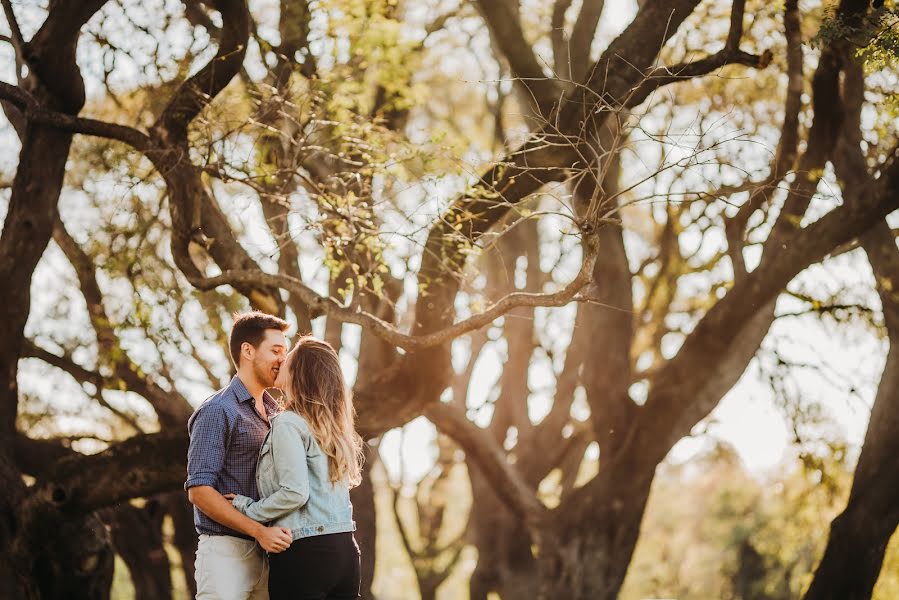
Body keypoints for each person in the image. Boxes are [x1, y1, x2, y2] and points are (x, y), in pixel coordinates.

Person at [225, 336, 365, 600]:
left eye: (287, 358)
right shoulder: (334, 429)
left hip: (306, 553)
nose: (280, 361)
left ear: (300, 370)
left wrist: (247, 508)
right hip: (346, 551)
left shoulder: (288, 423)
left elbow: (295, 493)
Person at [185, 311, 294, 599]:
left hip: (270, 553)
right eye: (276, 350)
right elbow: (199, 491)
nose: (283, 359)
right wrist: (258, 531)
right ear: (248, 351)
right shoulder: (217, 410)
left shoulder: (277, 414)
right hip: (226, 554)